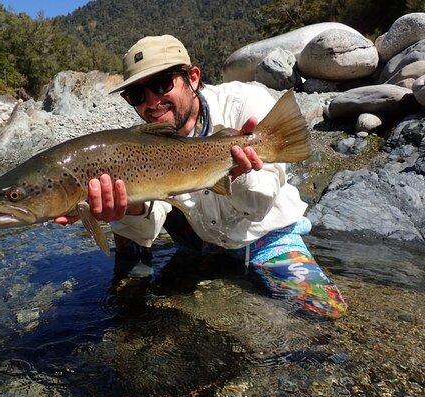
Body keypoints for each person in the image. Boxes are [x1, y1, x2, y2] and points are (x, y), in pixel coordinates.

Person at [56, 34, 347, 319]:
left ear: (193, 78)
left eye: (161, 84)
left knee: (325, 313)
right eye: (136, 95)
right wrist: (130, 206)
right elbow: (147, 226)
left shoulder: (245, 103)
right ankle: (132, 289)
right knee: (124, 232)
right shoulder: (141, 141)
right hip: (197, 241)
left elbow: (258, 207)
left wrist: (238, 172)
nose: (151, 102)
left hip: (265, 237)